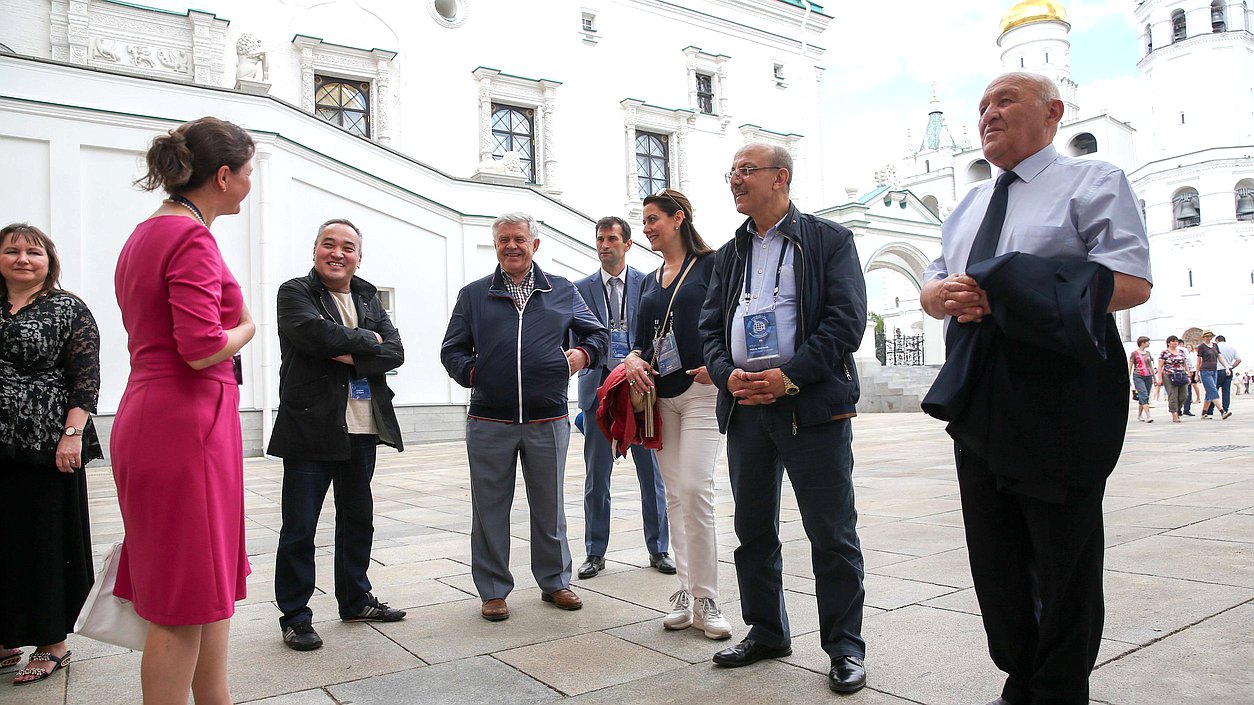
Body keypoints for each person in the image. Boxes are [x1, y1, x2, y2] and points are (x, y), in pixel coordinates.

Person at [919, 73, 1151, 705]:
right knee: (993, 548)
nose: (988, 114)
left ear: (1053, 113)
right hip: (980, 390)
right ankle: (1020, 672)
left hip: (1059, 392)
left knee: (1062, 550)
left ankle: (1058, 686)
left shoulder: (1093, 182)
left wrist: (1013, 289)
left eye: (1004, 101)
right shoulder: (967, 206)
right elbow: (934, 286)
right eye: (982, 105)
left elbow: (1130, 282)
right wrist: (943, 295)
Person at [699, 142, 869, 693]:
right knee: (752, 529)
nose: (735, 180)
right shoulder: (729, 254)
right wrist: (727, 374)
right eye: (732, 172)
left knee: (831, 531)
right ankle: (767, 630)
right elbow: (708, 329)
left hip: (810, 408)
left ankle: (844, 647)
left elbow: (846, 322)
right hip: (747, 408)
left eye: (747, 171)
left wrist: (790, 376)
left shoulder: (828, 241)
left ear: (782, 177)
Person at [112, 116, 257, 704]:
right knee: (180, 598)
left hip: (165, 416)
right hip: (184, 424)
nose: (251, 184)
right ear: (222, 176)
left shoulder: (149, 232)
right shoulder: (191, 238)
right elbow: (200, 349)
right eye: (248, 173)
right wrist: (246, 327)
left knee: (203, 584)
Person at [441, 212, 608, 622]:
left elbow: (598, 335)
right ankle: (493, 591)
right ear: (495, 246)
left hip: (547, 417)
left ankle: (555, 582)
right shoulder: (474, 294)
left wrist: (582, 356)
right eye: (503, 240)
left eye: (518, 239)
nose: (511, 246)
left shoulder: (563, 290)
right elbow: (452, 349)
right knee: (489, 509)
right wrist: (477, 374)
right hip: (489, 420)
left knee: (549, 505)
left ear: (535, 245)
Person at [268, 219, 407, 652]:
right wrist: (368, 340)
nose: (338, 253)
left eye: (348, 247)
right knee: (300, 527)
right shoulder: (295, 292)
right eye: (329, 244)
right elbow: (312, 334)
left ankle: (355, 599)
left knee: (357, 519)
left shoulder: (366, 295)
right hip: (311, 426)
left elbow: (396, 351)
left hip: (362, 429)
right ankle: (295, 616)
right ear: (315, 250)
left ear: (358, 256)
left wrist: (349, 352)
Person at [623, 188, 733, 641]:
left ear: (679, 218)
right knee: (673, 495)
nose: (647, 228)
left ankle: (708, 598)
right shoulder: (650, 280)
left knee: (695, 489)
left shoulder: (713, 265)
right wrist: (631, 358)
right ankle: (686, 592)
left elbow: (732, 317)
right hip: (659, 396)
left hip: (702, 393)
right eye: (644, 221)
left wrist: (724, 363)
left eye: (653, 219)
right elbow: (639, 336)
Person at [0, 224, 101, 686]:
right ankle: (6, 637)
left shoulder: (67, 308)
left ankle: (52, 642)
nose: (22, 258)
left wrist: (72, 434)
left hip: (46, 444)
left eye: (33, 252)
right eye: (12, 250)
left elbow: (84, 377)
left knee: (44, 541)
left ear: (49, 260)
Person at [573, 216, 672, 580]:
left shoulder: (648, 283)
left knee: (653, 476)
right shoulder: (579, 288)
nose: (604, 245)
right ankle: (595, 552)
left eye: (612, 238)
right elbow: (574, 338)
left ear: (627, 244)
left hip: (641, 391)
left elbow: (658, 331)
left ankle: (659, 549)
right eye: (600, 239)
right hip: (599, 392)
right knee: (596, 479)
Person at [1195, 330, 1232, 419]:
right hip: (1205, 371)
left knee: (1210, 392)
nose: (1209, 338)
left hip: (1214, 371)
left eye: (1210, 336)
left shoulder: (1215, 346)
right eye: (1207, 336)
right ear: (1203, 337)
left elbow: (1219, 356)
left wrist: (1226, 367)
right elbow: (1198, 361)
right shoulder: (1201, 347)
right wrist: (1197, 374)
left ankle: (1204, 413)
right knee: (1213, 391)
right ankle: (1222, 411)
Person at [1157, 336, 1190, 423]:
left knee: (1184, 395)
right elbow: (1160, 365)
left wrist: (1189, 374)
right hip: (1169, 375)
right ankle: (1174, 413)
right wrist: (1159, 378)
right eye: (1173, 341)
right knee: (1172, 394)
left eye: (1176, 341)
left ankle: (1176, 408)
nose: (1175, 343)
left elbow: (1185, 363)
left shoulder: (1181, 352)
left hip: (1181, 374)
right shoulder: (1165, 353)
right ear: (1168, 343)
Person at [1128, 336, 1155, 423]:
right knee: (1144, 394)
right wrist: (1128, 376)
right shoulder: (1134, 354)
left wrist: (1154, 377)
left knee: (1144, 395)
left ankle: (1139, 415)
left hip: (1148, 375)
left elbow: (1150, 365)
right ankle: (1148, 415)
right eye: (1147, 342)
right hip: (1138, 375)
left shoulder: (1148, 353)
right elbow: (1130, 365)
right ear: (1142, 343)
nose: (1149, 343)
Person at [1214, 334, 1241, 414]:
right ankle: (1225, 408)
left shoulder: (1215, 347)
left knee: (1214, 390)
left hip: (1218, 370)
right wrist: (1231, 367)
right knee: (1226, 391)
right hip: (1228, 370)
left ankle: (1209, 410)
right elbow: (1238, 359)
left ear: (1217, 340)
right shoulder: (1231, 348)